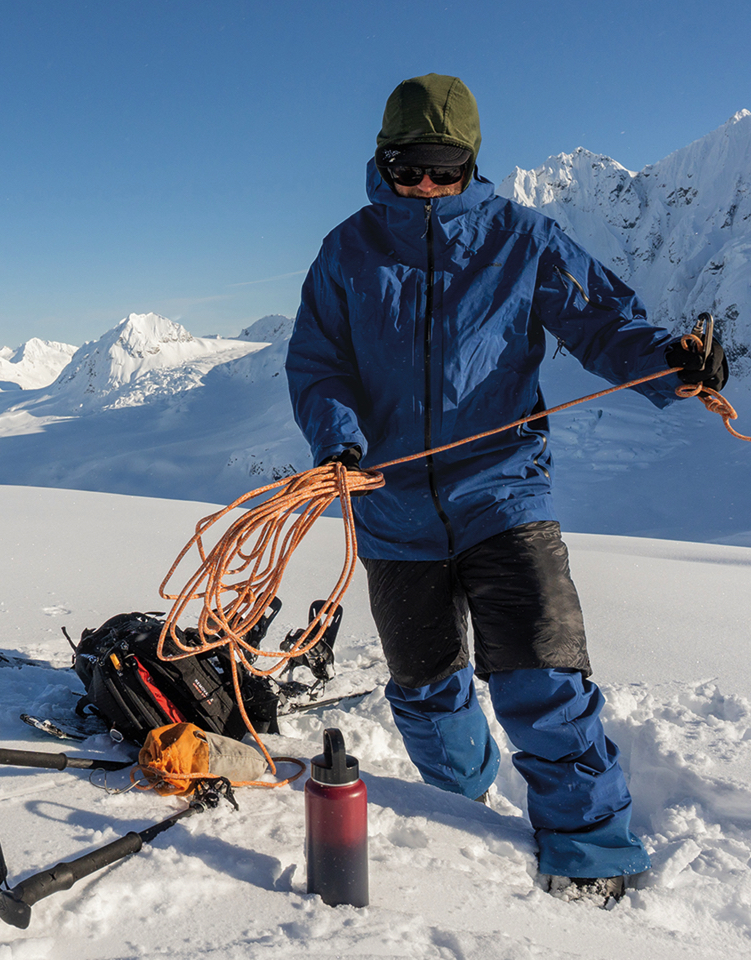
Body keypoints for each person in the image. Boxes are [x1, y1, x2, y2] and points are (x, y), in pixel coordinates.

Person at [284, 73, 727, 905]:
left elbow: (604, 321)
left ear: (471, 166)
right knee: (428, 697)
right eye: (407, 166)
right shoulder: (347, 251)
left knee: (544, 679)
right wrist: (338, 438)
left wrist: (673, 364)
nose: (424, 184)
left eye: (443, 169)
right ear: (382, 162)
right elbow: (319, 362)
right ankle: (461, 818)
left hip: (505, 491)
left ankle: (593, 854)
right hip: (390, 506)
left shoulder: (522, 238)